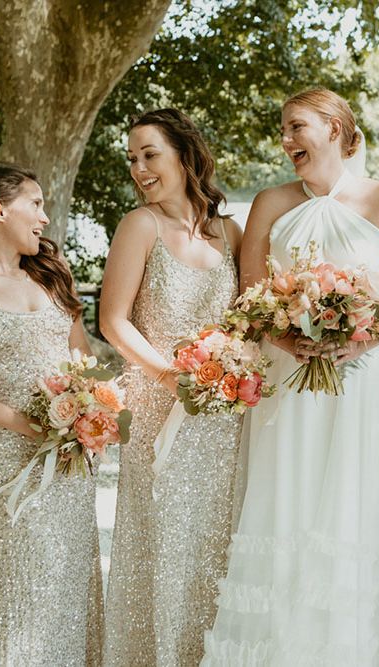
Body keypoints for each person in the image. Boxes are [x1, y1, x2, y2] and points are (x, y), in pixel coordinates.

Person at [200, 88, 379, 665]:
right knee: (291, 494)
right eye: (282, 130)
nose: (286, 141)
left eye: (296, 127)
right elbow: (251, 292)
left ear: (335, 128)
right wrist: (289, 337)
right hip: (290, 373)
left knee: (364, 497)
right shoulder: (270, 201)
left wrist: (356, 337)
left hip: (370, 378)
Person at [100, 109, 242, 666]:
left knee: (217, 543)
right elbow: (114, 321)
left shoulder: (230, 232)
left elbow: (248, 319)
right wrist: (169, 376)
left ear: (185, 155)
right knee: (162, 544)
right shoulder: (140, 226)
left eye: (149, 154)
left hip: (223, 416)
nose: (139, 168)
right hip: (160, 407)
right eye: (132, 159)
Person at [0, 163, 103, 665]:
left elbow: (82, 359)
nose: (45, 218)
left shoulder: (50, 277)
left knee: (70, 582)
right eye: (36, 204)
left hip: (72, 457)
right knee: (24, 590)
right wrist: (22, 423)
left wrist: (94, 410)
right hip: (10, 459)